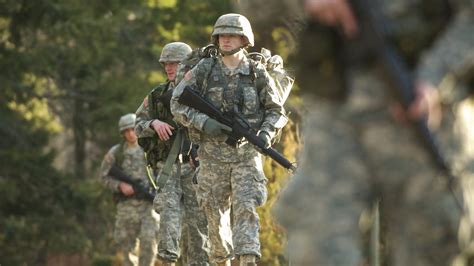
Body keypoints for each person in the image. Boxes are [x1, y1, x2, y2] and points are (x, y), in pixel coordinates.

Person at [237, 0, 467, 265]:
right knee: (317, 236)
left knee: (434, 241)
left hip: (422, 111)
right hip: (338, 105)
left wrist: (435, 76)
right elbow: (257, 9)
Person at [170, 13, 287, 266]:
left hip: (246, 157)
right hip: (212, 158)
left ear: (244, 39)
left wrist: (266, 133)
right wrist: (204, 123)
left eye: (231, 35)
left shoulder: (257, 73)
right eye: (222, 35)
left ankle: (247, 260)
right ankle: (221, 261)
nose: (225, 40)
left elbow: (277, 111)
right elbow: (177, 104)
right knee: (215, 218)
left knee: (246, 210)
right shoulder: (204, 69)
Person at [135, 42, 210, 266]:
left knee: (198, 227)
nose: (169, 68)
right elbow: (138, 123)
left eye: (174, 63)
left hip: (195, 168)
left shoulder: (203, 93)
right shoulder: (157, 95)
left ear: (187, 65)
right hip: (167, 167)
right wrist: (153, 123)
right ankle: (167, 262)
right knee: (168, 221)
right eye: (166, 63)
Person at [99, 113, 160, 266]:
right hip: (126, 207)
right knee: (127, 248)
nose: (130, 134)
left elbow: (163, 172)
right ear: (122, 133)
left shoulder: (150, 148)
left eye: (133, 129)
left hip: (148, 205)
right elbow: (103, 176)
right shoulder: (116, 153)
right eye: (126, 131)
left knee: (149, 242)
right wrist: (119, 186)